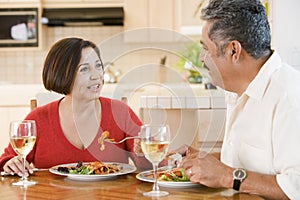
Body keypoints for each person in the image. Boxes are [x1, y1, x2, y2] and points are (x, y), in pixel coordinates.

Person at [179, 0, 300, 199]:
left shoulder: (290, 98)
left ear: (233, 50)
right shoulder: (238, 90)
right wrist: (204, 163)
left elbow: (296, 186)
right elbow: (253, 165)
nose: (202, 57)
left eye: (206, 48)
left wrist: (226, 176)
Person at [0, 37, 151, 176]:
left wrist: (143, 152)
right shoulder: (38, 119)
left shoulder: (120, 113)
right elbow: (7, 161)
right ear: (63, 75)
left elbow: (151, 169)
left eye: (98, 66)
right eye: (84, 69)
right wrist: (10, 164)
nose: (96, 75)